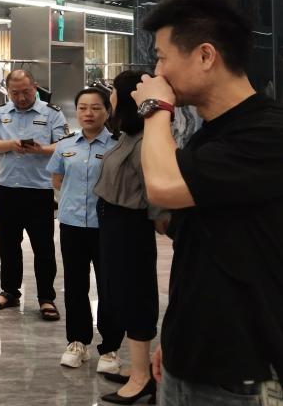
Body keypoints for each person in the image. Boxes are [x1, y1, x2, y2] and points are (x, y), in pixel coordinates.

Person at [132, 0, 283, 405]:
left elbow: (163, 186)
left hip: (243, 375)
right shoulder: (207, 138)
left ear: (204, 55)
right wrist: (175, 340)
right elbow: (201, 255)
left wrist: (155, 107)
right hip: (188, 361)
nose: (157, 71)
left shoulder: (268, 133)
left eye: (162, 58)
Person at [93, 71, 165, 404]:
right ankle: (137, 366)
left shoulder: (144, 142)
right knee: (118, 294)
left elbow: (155, 193)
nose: (108, 97)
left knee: (135, 296)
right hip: (113, 224)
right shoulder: (126, 135)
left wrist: (163, 224)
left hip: (130, 227)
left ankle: (141, 378)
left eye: (113, 92)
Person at [47, 87, 122, 371]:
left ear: (107, 111)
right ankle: (77, 342)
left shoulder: (118, 145)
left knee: (109, 286)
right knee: (75, 285)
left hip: (107, 226)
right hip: (72, 224)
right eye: (82, 108)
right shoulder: (65, 145)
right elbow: (57, 179)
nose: (88, 113)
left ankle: (110, 347)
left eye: (96, 108)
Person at [0, 69, 68, 321]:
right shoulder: (0, 113)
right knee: (8, 245)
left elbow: (64, 145)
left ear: (35, 87)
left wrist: (40, 150)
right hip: (6, 191)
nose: (21, 98)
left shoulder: (51, 113)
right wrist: (12, 144)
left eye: (26, 92)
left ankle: (46, 298)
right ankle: (9, 292)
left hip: (38, 192)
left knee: (43, 248)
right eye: (15, 93)